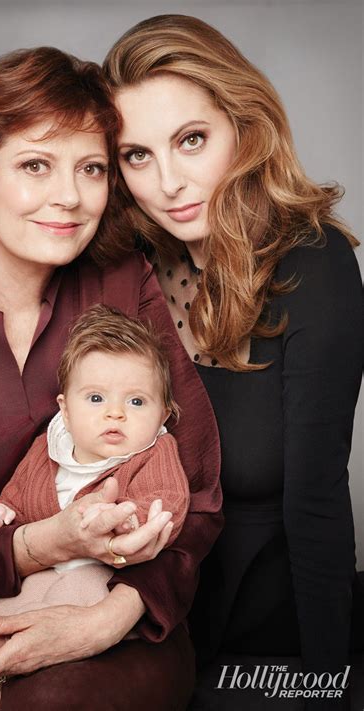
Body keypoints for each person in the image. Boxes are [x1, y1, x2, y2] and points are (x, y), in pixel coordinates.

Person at [0, 46, 223, 711]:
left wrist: (108, 616)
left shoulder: (124, 282)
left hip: (124, 608)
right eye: (36, 164)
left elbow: (201, 493)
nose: (69, 196)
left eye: (92, 168)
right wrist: (42, 544)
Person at [103, 14, 364, 709]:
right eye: (136, 155)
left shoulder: (316, 264)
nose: (168, 183)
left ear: (242, 124)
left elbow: (317, 499)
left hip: (268, 639)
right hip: (148, 622)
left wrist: (326, 679)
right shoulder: (130, 273)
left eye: (191, 140)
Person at [0, 304, 190, 708]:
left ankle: (11, 683)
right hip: (44, 568)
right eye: (95, 398)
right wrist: (0, 509)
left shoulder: (154, 451)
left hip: (100, 574)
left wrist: (130, 522)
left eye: (137, 402)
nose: (115, 413)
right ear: (65, 408)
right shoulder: (49, 447)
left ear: (163, 412)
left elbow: (169, 502)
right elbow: (18, 491)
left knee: (70, 603)